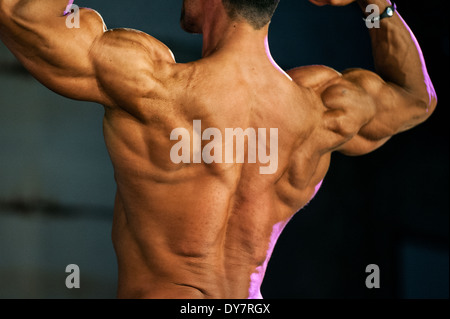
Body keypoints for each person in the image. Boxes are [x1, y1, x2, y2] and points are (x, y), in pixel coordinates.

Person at [0, 0, 437, 299]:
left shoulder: (152, 86)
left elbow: (21, 13)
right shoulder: (321, 111)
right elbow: (417, 98)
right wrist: (376, 5)